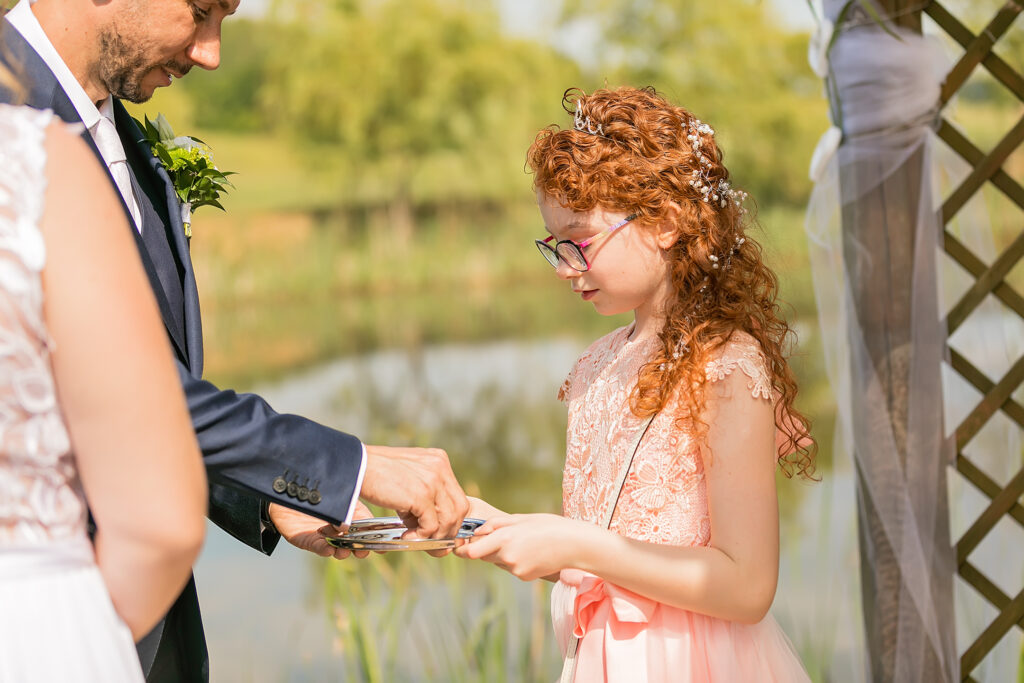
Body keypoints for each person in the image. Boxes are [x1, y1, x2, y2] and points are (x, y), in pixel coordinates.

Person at [0, 1, 469, 680]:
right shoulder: (19, 133)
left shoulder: (114, 135)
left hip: (153, 629)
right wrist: (350, 465)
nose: (211, 52)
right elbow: (133, 399)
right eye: (200, 11)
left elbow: (118, 396)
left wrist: (268, 495)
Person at [457, 86, 816, 681]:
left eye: (582, 241)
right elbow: (605, 553)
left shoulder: (724, 363)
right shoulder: (596, 364)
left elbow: (749, 586)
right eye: (555, 245)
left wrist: (575, 545)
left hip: (692, 662)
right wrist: (495, 526)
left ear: (667, 224)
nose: (567, 266)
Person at [0, 98, 206, 680]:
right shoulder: (35, 159)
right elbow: (162, 523)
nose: (210, 55)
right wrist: (83, 635)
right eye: (200, 9)